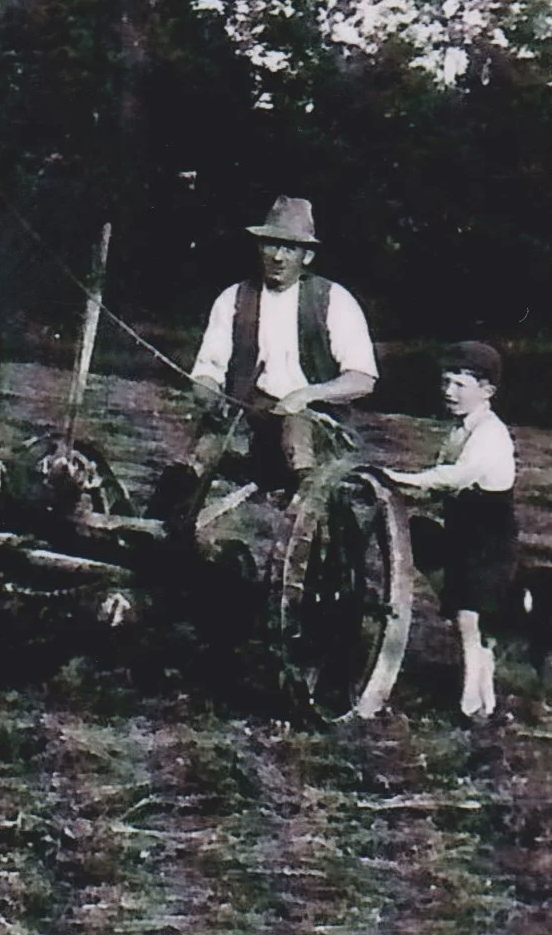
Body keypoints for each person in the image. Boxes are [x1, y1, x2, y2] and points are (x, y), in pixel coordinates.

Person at [151, 196, 379, 522]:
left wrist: (306, 395)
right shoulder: (234, 298)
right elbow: (208, 369)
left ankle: (305, 522)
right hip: (253, 420)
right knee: (203, 446)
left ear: (308, 256)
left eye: (289, 248)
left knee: (296, 429)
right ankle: (161, 527)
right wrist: (208, 394)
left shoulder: (334, 301)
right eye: (270, 245)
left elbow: (362, 379)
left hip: (318, 429)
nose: (277, 256)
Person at [384, 342, 517, 722]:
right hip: (464, 535)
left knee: (471, 623)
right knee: (466, 620)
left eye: (460, 385)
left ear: (487, 391)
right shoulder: (459, 430)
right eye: (445, 382)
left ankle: (475, 708)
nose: (449, 392)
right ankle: (477, 703)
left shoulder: (491, 434)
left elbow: (456, 476)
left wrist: (401, 478)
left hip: (488, 542)